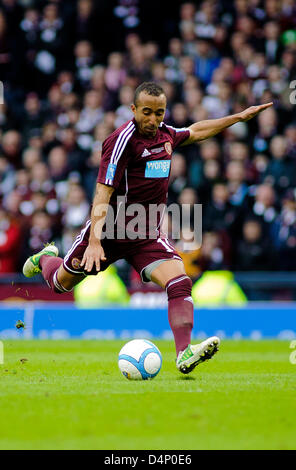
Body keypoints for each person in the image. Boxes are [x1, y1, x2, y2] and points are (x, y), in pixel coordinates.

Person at [23, 81, 273, 374]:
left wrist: (238, 118)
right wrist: (94, 241)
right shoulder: (120, 141)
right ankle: (45, 258)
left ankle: (184, 353)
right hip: (110, 231)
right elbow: (102, 192)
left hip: (146, 233)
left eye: (159, 113)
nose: (153, 120)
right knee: (60, 284)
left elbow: (196, 130)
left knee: (180, 281)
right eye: (146, 113)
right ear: (133, 110)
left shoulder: (166, 135)